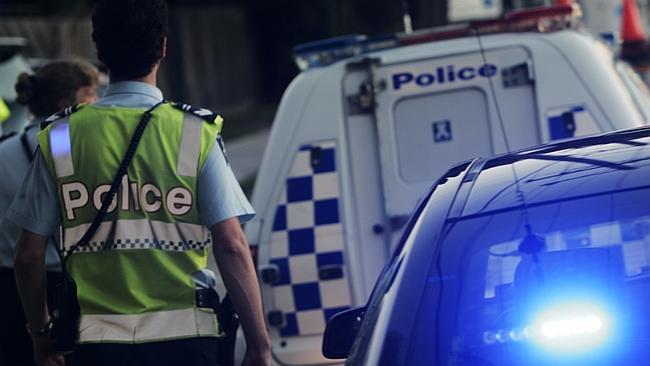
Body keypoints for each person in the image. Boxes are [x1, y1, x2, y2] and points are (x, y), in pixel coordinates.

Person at [7, 0, 272, 365]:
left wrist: (40, 335)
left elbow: (29, 254)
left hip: (96, 344)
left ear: (99, 49)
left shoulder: (61, 136)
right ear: (164, 47)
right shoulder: (193, 133)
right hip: (188, 340)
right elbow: (231, 245)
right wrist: (260, 346)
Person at [0, 60, 99, 366]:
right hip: (67, 287)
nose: (97, 102)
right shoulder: (69, 149)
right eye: (90, 94)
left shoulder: (4, 150)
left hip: (7, 291)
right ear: (66, 102)